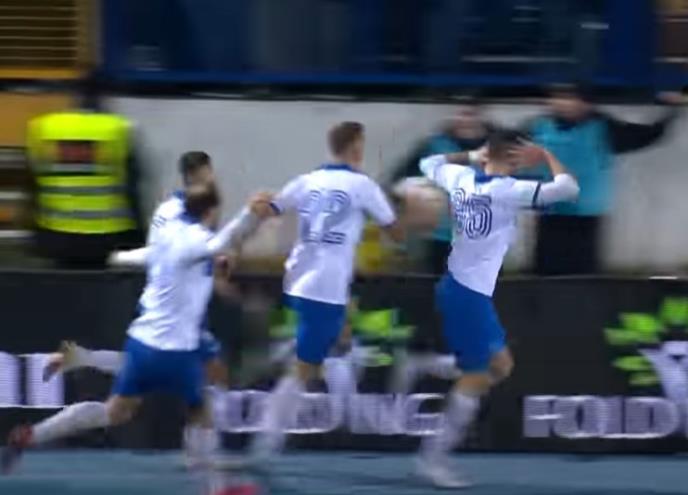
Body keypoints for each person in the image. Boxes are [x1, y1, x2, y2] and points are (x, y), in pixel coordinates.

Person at [1, 185, 268, 473]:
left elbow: (144, 257)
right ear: (209, 211)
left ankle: (36, 431)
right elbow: (219, 245)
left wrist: (117, 257)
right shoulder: (197, 238)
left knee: (117, 410)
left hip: (145, 335)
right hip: (179, 337)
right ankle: (204, 466)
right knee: (206, 393)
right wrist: (251, 215)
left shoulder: (168, 236)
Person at [415, 130, 580, 488]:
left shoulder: (459, 177)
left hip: (460, 289)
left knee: (501, 366)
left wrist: (470, 155)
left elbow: (428, 162)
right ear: (517, 159)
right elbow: (569, 188)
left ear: (486, 153)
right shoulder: (510, 191)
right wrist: (546, 155)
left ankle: (425, 365)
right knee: (475, 378)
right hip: (468, 294)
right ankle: (433, 459)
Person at [246, 121, 404, 463]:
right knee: (306, 366)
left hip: (300, 279)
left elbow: (269, 210)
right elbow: (396, 232)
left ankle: (330, 410)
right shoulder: (363, 185)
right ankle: (266, 441)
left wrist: (257, 203)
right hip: (326, 285)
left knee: (333, 342)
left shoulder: (306, 180)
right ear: (356, 147)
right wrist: (408, 207)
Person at [523, 83, 684, 274]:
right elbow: (507, 145)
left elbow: (646, 135)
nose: (564, 104)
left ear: (586, 103)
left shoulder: (602, 127)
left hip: (587, 215)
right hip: (551, 213)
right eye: (559, 97)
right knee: (545, 271)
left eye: (571, 98)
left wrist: (672, 110)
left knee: (582, 273)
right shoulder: (539, 127)